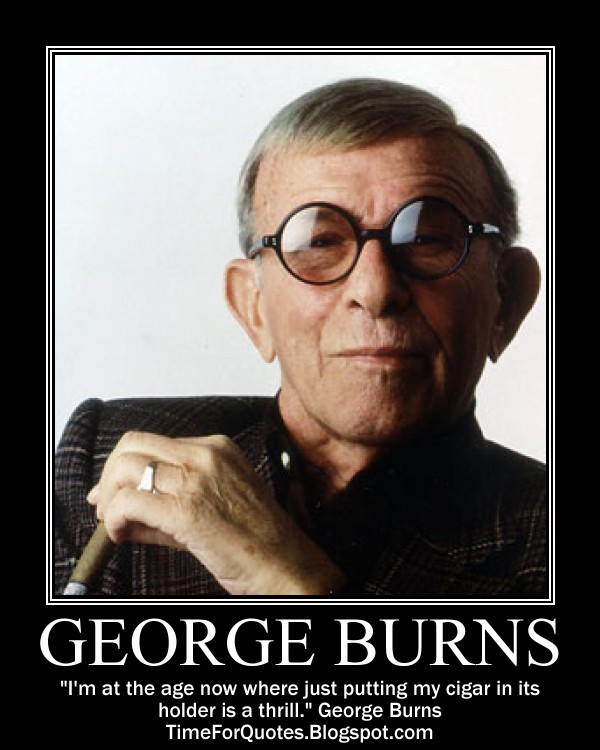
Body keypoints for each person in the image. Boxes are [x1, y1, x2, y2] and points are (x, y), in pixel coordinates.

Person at [54, 78, 547, 598]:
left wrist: (288, 582)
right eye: (319, 241)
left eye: (424, 238)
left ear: (506, 298)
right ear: (253, 308)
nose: (375, 290)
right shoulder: (109, 456)